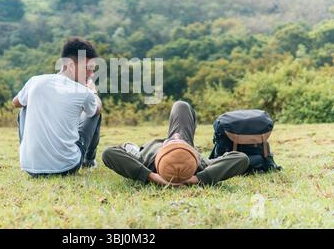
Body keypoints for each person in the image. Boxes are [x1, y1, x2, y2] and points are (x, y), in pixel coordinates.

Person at [102, 101, 249, 186]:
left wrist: (151, 176)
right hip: (188, 159)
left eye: (174, 141)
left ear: (160, 154)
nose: (176, 135)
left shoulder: (145, 162)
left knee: (129, 147)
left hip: (145, 154)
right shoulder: (200, 166)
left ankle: (134, 148)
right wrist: (197, 179)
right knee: (181, 105)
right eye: (178, 140)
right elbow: (241, 158)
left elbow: (109, 153)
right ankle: (180, 145)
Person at [13, 37, 103, 177]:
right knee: (95, 111)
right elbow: (97, 109)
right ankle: (88, 161)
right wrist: (93, 92)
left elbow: (16, 102)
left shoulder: (35, 81)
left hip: (31, 169)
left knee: (24, 107)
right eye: (88, 69)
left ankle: (32, 156)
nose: (91, 75)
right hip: (67, 167)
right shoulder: (85, 93)